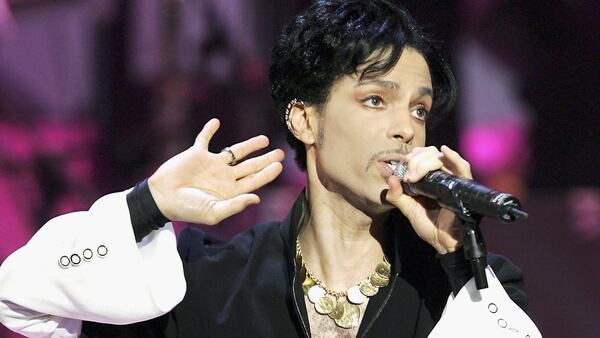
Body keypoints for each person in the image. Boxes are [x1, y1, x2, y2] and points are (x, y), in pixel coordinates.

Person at [0, 1, 541, 337]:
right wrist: (146, 205)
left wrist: (454, 259)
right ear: (306, 120)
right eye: (376, 100)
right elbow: (19, 299)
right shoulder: (205, 284)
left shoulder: (476, 286)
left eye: (419, 109)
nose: (406, 128)